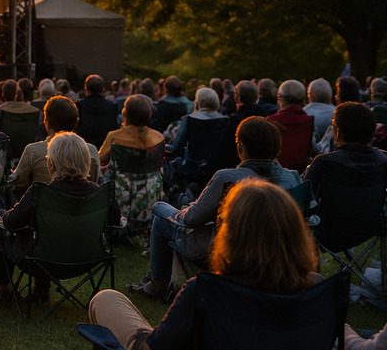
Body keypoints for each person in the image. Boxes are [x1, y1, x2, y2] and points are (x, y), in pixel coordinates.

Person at [59, 180, 321, 350]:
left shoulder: (207, 291)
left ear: (230, 233)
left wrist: (136, 340)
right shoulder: (315, 291)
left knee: (107, 299)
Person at [127, 116, 300, 302]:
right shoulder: (292, 178)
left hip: (225, 251)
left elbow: (192, 219)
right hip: (277, 250)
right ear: (277, 149)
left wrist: (187, 210)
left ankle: (158, 284)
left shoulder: (227, 178)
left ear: (240, 147)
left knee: (161, 212)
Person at [0, 132, 119, 302]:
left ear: (51, 164)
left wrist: (3, 215)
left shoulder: (40, 193)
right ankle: (40, 291)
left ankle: (1, 290)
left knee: (0, 228)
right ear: (86, 161)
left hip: (41, 261)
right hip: (87, 259)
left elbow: (11, 223)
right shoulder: (101, 194)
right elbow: (115, 222)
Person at [10, 96, 101, 195]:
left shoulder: (32, 151)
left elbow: (18, 183)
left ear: (46, 123)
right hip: (84, 207)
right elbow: (98, 181)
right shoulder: (91, 150)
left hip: (45, 207)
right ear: (76, 123)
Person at [97, 95, 165, 166]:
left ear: (125, 113)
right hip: (151, 177)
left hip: (121, 177)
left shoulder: (114, 137)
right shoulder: (158, 137)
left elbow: (101, 159)